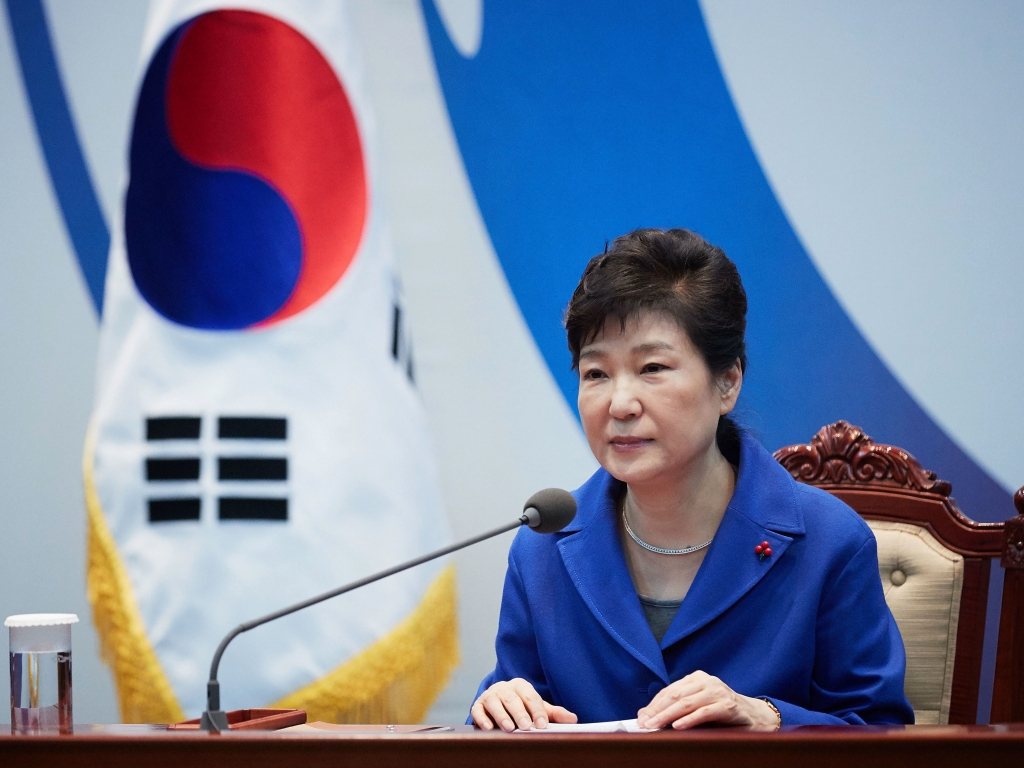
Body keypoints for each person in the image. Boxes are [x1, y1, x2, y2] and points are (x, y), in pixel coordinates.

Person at [470, 228, 914, 731]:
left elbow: (882, 736)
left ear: (727, 382)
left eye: (652, 367)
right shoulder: (542, 550)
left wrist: (766, 717)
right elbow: (512, 727)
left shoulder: (829, 541)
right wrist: (497, 706)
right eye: (596, 374)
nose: (620, 404)